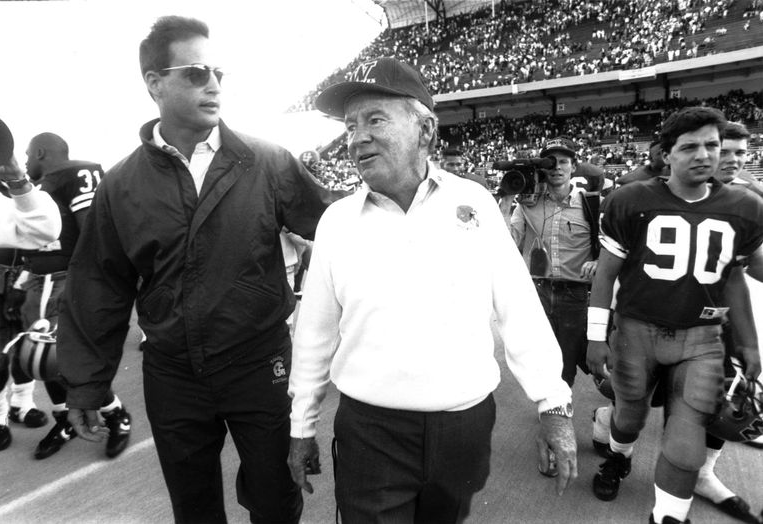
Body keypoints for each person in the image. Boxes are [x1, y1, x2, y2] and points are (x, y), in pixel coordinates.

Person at [57, 16, 336, 524]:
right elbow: (99, 282)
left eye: (218, 73)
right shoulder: (121, 185)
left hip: (260, 366)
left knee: (276, 500)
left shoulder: (267, 161)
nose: (213, 85)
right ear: (154, 83)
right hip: (173, 374)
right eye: (195, 72)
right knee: (194, 508)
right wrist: (85, 383)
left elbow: (339, 228)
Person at [288, 56, 577, 523]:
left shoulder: (475, 203)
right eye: (350, 126)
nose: (356, 137)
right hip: (371, 433)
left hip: (463, 428)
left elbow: (518, 306)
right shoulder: (336, 222)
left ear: (425, 131)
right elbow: (313, 334)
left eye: (375, 119)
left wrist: (553, 404)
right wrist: (301, 425)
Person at [586, 106, 763, 524]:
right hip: (636, 331)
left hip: (701, 337)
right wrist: (596, 337)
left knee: (686, 443)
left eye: (712, 145)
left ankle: (668, 517)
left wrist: (749, 340)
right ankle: (619, 457)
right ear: (667, 154)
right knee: (629, 417)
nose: (704, 155)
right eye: (690, 147)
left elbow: (733, 277)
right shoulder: (631, 199)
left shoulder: (743, 205)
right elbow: (606, 273)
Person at [12, 132, 132, 460]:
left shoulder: (79, 172)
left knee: (67, 359)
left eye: (27, 155)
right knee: (39, 359)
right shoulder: (36, 187)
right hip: (37, 280)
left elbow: (94, 232)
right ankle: (65, 418)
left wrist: (89, 285)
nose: (24, 161)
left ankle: (115, 414)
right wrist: (22, 281)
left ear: (40, 152)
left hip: (68, 279)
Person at [0, 157, 60, 451]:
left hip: (25, 275)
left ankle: (22, 404)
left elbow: (45, 237)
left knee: (26, 344)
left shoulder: (30, 194)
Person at [509, 137, 598, 387]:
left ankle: (561, 401)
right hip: (537, 291)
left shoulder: (591, 203)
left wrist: (598, 262)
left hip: (575, 292)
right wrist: (507, 199)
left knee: (567, 359)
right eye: (551, 162)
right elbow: (506, 241)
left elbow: (604, 246)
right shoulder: (526, 204)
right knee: (538, 354)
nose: (557, 168)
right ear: (541, 168)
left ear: (573, 166)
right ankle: (547, 402)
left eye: (563, 162)